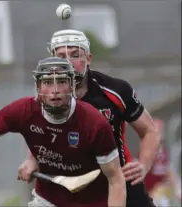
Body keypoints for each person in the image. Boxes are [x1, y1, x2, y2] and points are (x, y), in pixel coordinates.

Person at [0, 57, 126, 207]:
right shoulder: (23, 111)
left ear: (72, 85)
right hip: (48, 200)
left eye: (62, 82)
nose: (55, 90)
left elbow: (116, 179)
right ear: (38, 87)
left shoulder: (93, 122)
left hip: (93, 203)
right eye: (48, 82)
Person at [18, 29, 161, 207]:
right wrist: (32, 159)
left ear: (89, 59)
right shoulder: (47, 96)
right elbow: (40, 134)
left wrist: (144, 165)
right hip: (74, 188)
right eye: (61, 56)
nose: (68, 61)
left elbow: (150, 131)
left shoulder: (115, 91)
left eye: (75, 54)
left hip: (118, 180)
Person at [139, 118, 181, 206]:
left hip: (161, 191)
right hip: (151, 194)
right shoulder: (145, 153)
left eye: (161, 131)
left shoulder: (163, 153)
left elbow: (168, 172)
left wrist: (177, 189)